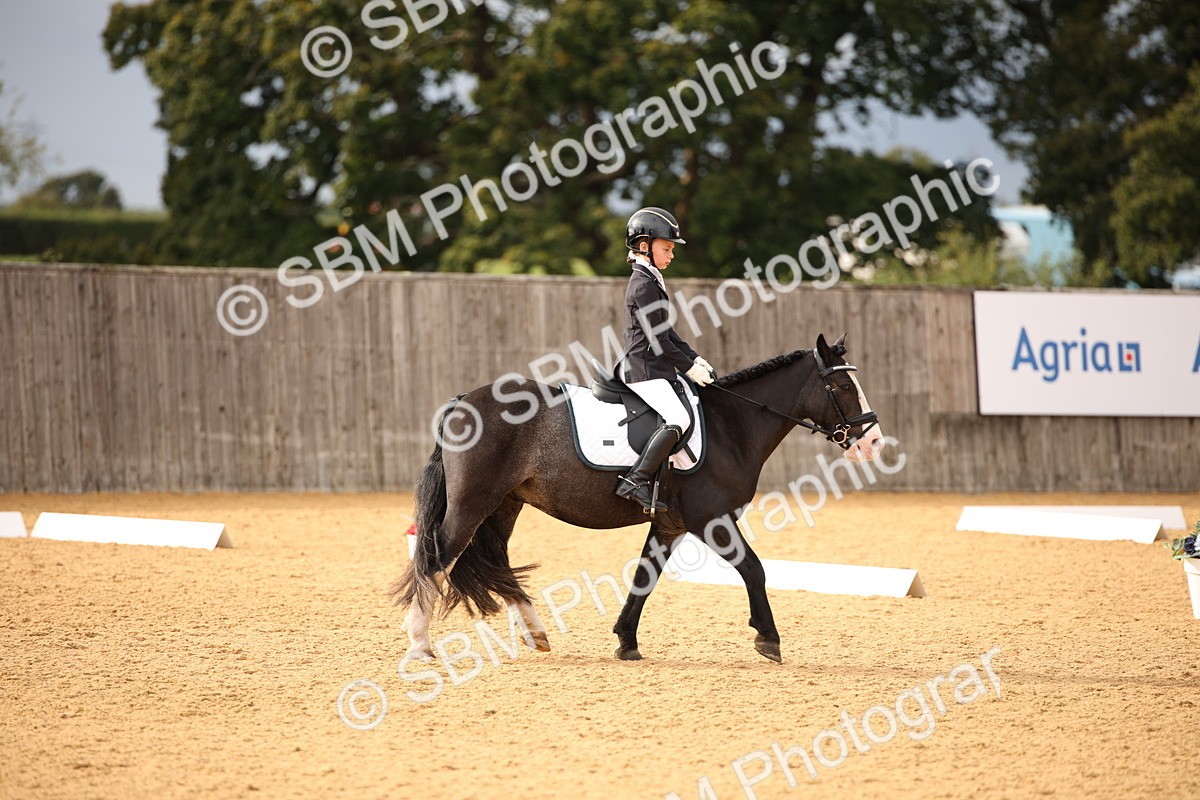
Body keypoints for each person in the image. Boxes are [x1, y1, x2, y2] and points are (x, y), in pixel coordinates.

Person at [615, 207, 716, 514]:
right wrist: (687, 367)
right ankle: (636, 479)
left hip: (655, 366)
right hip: (643, 369)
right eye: (667, 248)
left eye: (672, 249)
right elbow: (658, 341)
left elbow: (667, 331)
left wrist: (695, 357)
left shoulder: (651, 280)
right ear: (644, 245)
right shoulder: (643, 284)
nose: (672, 254)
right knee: (680, 418)